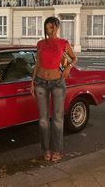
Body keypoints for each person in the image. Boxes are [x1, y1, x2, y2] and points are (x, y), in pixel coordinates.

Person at [30, 16, 77, 162]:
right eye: (47, 28)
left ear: (57, 27)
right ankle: (46, 149)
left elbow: (74, 58)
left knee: (57, 119)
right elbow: (37, 64)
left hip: (57, 82)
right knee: (43, 120)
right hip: (40, 82)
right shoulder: (40, 43)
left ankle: (56, 150)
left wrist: (68, 67)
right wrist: (32, 82)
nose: (49, 31)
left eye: (51, 27)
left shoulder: (63, 43)